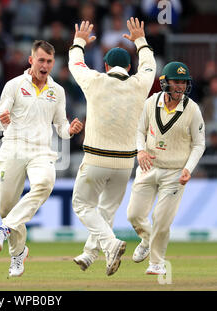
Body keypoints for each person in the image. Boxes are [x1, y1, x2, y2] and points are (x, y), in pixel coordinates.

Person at [0, 40, 83, 277]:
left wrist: (68, 130)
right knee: (6, 208)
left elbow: (59, 125)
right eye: (41, 60)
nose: (45, 65)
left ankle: (4, 229)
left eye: (49, 61)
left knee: (44, 184)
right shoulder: (14, 85)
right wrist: (3, 120)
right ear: (31, 60)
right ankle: (18, 254)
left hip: (41, 150)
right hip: (14, 147)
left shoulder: (57, 91)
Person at [68, 18, 156, 276]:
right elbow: (150, 65)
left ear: (106, 65)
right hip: (125, 163)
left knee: (82, 206)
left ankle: (110, 243)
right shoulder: (140, 84)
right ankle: (90, 254)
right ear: (130, 67)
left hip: (96, 158)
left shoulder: (95, 81)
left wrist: (79, 42)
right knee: (106, 210)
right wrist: (140, 40)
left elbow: (75, 64)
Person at [127, 61, 205, 275]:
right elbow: (138, 131)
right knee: (134, 215)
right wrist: (140, 151)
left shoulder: (192, 109)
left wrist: (188, 168)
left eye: (184, 82)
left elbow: (199, 144)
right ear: (165, 82)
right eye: (176, 81)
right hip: (148, 166)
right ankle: (146, 239)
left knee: (161, 220)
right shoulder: (151, 102)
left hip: (175, 172)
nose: (180, 86)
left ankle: (157, 263)